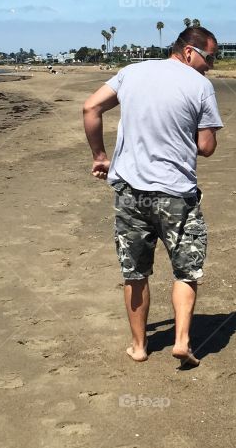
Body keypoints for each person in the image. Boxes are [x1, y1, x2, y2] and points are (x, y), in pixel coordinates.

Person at [82, 26, 223, 368]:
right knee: (186, 271)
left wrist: (100, 156)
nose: (211, 66)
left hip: (132, 192)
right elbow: (206, 148)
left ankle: (139, 346)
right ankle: (182, 341)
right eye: (210, 58)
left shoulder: (132, 72)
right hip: (176, 193)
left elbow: (90, 108)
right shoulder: (200, 86)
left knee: (135, 272)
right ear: (189, 52)